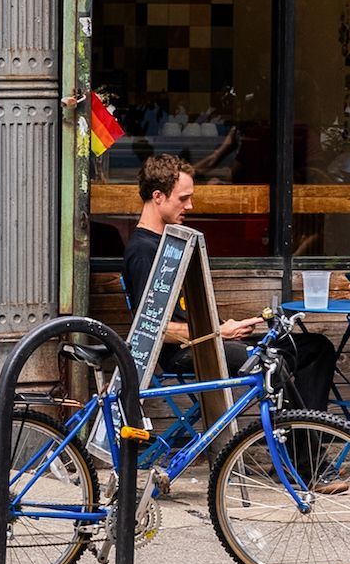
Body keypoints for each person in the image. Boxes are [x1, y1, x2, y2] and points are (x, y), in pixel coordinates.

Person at [122, 153, 336, 411]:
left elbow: (184, 310)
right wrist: (218, 332)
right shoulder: (144, 251)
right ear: (158, 197)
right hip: (187, 351)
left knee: (316, 347)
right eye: (183, 198)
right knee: (272, 361)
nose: (190, 206)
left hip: (208, 339)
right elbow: (154, 328)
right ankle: (289, 440)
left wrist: (225, 326)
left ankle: (307, 442)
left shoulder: (169, 240)